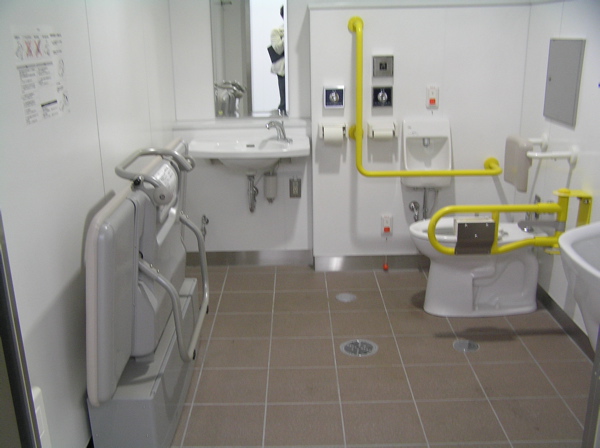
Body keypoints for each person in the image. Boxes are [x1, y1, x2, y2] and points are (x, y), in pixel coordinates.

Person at [270, 6, 285, 115]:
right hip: (283, 70)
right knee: (284, 101)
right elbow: (278, 49)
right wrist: (287, 34)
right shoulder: (277, 31)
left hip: (298, 70)